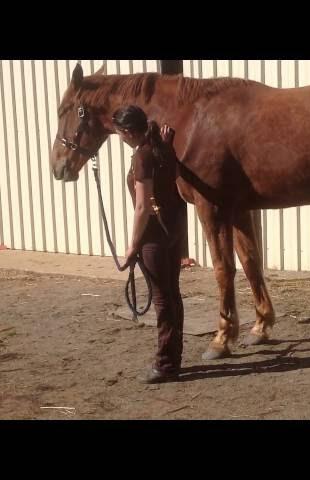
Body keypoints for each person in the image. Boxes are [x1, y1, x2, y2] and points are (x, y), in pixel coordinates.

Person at [112, 105, 185, 384]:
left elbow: (142, 206)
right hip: (173, 230)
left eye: (120, 133)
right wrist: (167, 146)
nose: (120, 138)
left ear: (128, 132)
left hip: (154, 235)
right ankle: (173, 359)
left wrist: (133, 246)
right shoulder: (163, 148)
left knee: (162, 299)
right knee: (172, 295)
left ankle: (165, 364)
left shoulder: (141, 156)